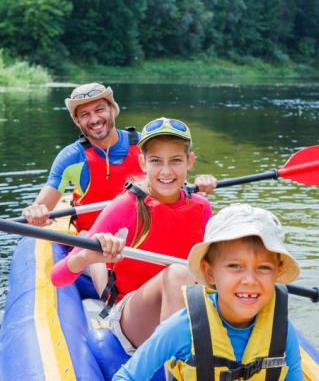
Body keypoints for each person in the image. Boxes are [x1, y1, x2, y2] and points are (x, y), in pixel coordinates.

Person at [51, 117, 215, 355]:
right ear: (142, 162)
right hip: (133, 317)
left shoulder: (201, 207)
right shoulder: (125, 207)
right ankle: (179, 368)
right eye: (156, 161)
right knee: (179, 273)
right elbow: (58, 277)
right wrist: (87, 257)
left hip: (186, 309)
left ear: (190, 161)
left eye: (176, 161)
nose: (166, 171)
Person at [112, 203, 304, 381]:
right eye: (235, 266)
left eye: (263, 268)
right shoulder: (182, 327)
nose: (249, 280)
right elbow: (126, 377)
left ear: (277, 272)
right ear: (209, 273)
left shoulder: (283, 331)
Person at [21, 83, 216, 232]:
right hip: (94, 240)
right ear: (76, 120)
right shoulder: (71, 157)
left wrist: (199, 186)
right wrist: (35, 212)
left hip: (145, 233)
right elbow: (42, 206)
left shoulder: (144, 144)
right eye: (85, 114)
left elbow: (173, 180)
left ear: (112, 110)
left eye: (99, 110)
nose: (94, 119)